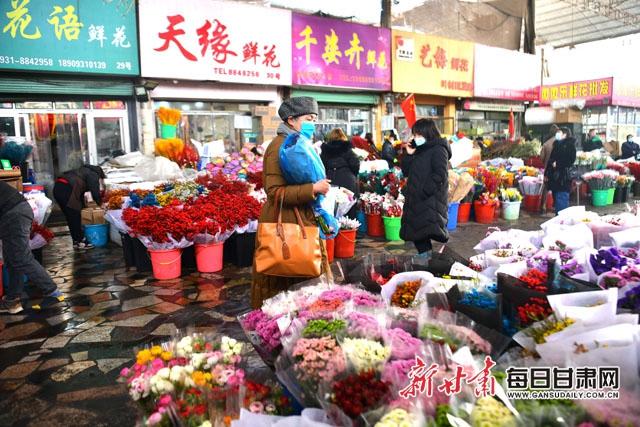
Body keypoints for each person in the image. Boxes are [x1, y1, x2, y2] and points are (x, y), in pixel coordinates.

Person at [251, 97, 331, 309]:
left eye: (314, 119)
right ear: (291, 119)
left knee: (305, 285)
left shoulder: (298, 143)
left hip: (303, 218)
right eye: (308, 118)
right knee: (284, 288)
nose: (312, 123)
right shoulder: (278, 147)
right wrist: (312, 189)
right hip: (286, 223)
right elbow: (274, 192)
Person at [0, 182, 62, 314]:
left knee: (21, 257)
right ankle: (12, 301)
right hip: (12, 213)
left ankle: (52, 292)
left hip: (13, 215)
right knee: (12, 259)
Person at [399, 119, 451, 259]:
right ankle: (428, 263)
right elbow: (406, 171)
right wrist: (409, 154)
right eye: (414, 135)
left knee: (421, 236)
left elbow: (440, 175)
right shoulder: (420, 150)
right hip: (418, 201)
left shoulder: (439, 150)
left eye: (417, 134)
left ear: (427, 133)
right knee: (419, 236)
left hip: (429, 201)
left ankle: (428, 264)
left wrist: (423, 192)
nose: (415, 138)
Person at [53, 164, 105, 249]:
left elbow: (79, 191)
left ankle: (76, 241)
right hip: (66, 189)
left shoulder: (81, 171)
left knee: (71, 216)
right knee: (75, 215)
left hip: (58, 188)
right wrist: (100, 203)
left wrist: (83, 205)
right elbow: (94, 190)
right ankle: (81, 241)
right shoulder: (93, 174)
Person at [320, 128, 360, 218]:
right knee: (349, 206)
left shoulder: (325, 150)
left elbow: (321, 166)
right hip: (348, 180)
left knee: (332, 207)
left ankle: (334, 228)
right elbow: (355, 164)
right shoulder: (347, 149)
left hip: (331, 180)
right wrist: (353, 174)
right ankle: (350, 229)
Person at [545, 127, 577, 215]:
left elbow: (571, 160)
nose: (557, 134)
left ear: (565, 134)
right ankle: (558, 219)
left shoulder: (570, 145)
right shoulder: (557, 145)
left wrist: (558, 164)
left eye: (559, 132)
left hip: (563, 178)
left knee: (561, 200)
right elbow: (550, 159)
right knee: (557, 200)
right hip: (555, 178)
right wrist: (547, 173)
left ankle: (562, 221)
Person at [539, 124, 560, 213]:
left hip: (548, 169)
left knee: (546, 187)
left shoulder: (546, 144)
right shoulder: (561, 142)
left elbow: (541, 157)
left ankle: (543, 206)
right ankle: (556, 205)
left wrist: (546, 163)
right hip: (558, 169)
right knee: (557, 187)